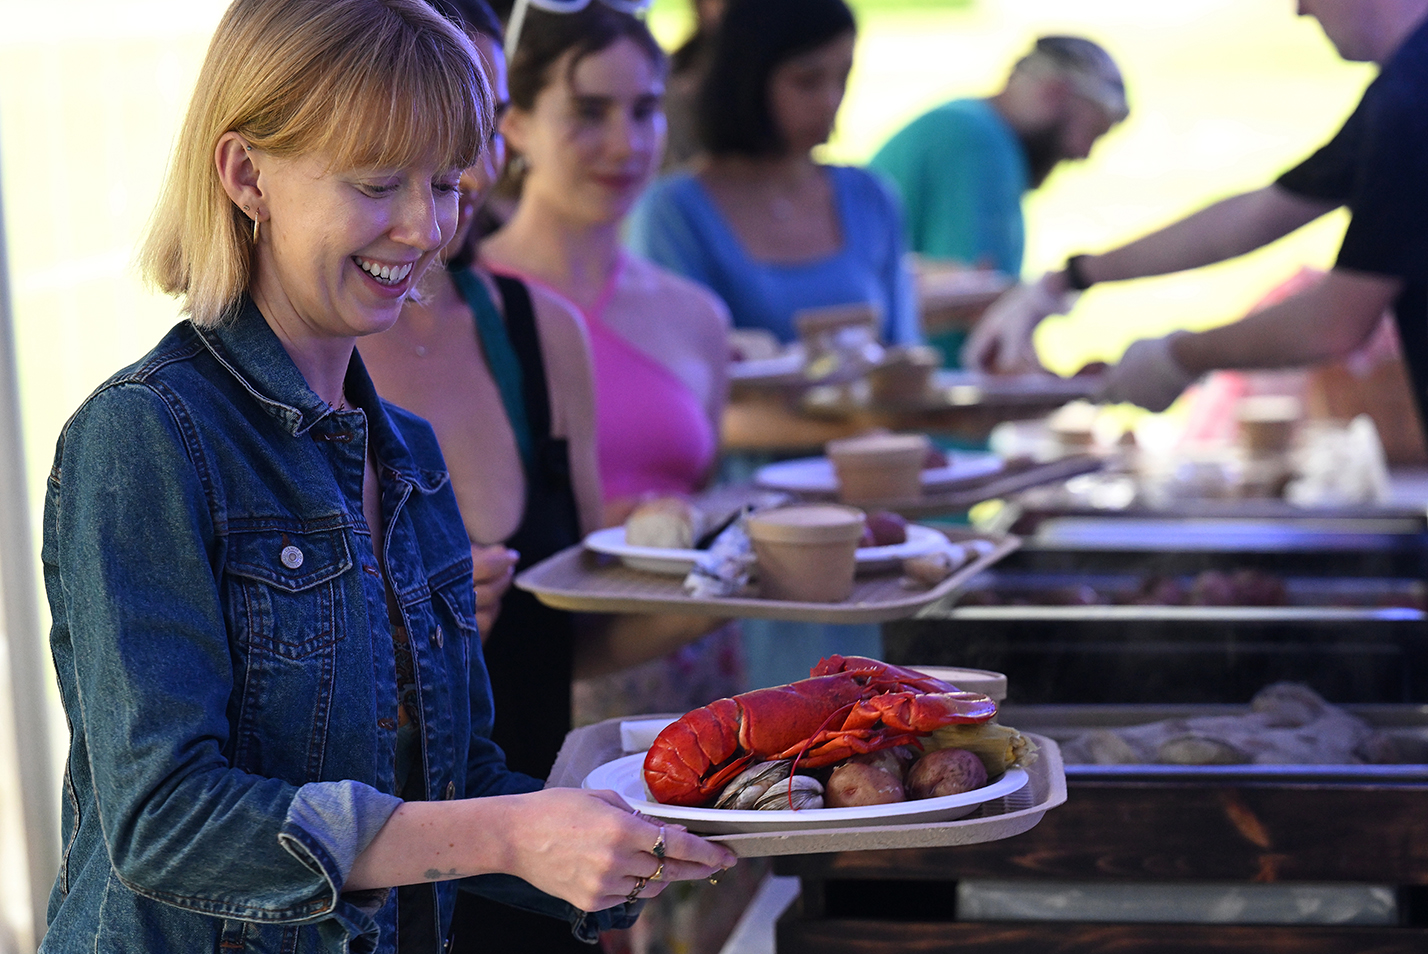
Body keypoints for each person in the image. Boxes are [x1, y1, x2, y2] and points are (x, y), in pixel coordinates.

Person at [38, 1, 736, 951]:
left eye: (447, 183)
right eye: (376, 184)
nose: (425, 228)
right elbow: (165, 823)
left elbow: (456, 781)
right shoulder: (143, 435)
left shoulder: (404, 450)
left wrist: (667, 829)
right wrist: (506, 831)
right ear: (246, 175)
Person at [358, 3, 737, 948]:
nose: (468, 168)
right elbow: (190, 784)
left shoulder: (539, 332)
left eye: (479, 126)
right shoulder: (295, 356)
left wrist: (743, 583)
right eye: (439, 123)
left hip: (532, 866)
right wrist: (411, 640)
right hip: (355, 894)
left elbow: (551, 644)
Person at [964, 0, 1428, 438]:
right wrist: (1069, 278)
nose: (1299, 9)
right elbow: (1259, 214)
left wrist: (1177, 358)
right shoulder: (1404, 85)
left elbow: (1333, 322)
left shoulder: (1414, 99)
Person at [626, 0, 919, 347]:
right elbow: (679, 363)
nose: (830, 100)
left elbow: (905, 351)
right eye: (807, 81)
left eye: (843, 78)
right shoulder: (674, 211)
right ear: (748, 79)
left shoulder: (870, 197)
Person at [869, 36, 1128, 279]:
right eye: (1091, 132)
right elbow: (973, 299)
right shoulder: (979, 143)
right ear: (1054, 93)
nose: (1083, 154)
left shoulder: (967, 123)